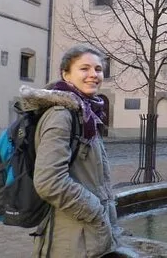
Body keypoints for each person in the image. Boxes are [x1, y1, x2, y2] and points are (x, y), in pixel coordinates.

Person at [22, 44, 122, 257]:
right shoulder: (61, 115)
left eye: (98, 69)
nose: (93, 74)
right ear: (66, 74)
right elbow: (50, 182)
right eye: (84, 68)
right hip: (70, 241)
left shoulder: (86, 113)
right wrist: (96, 212)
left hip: (86, 237)